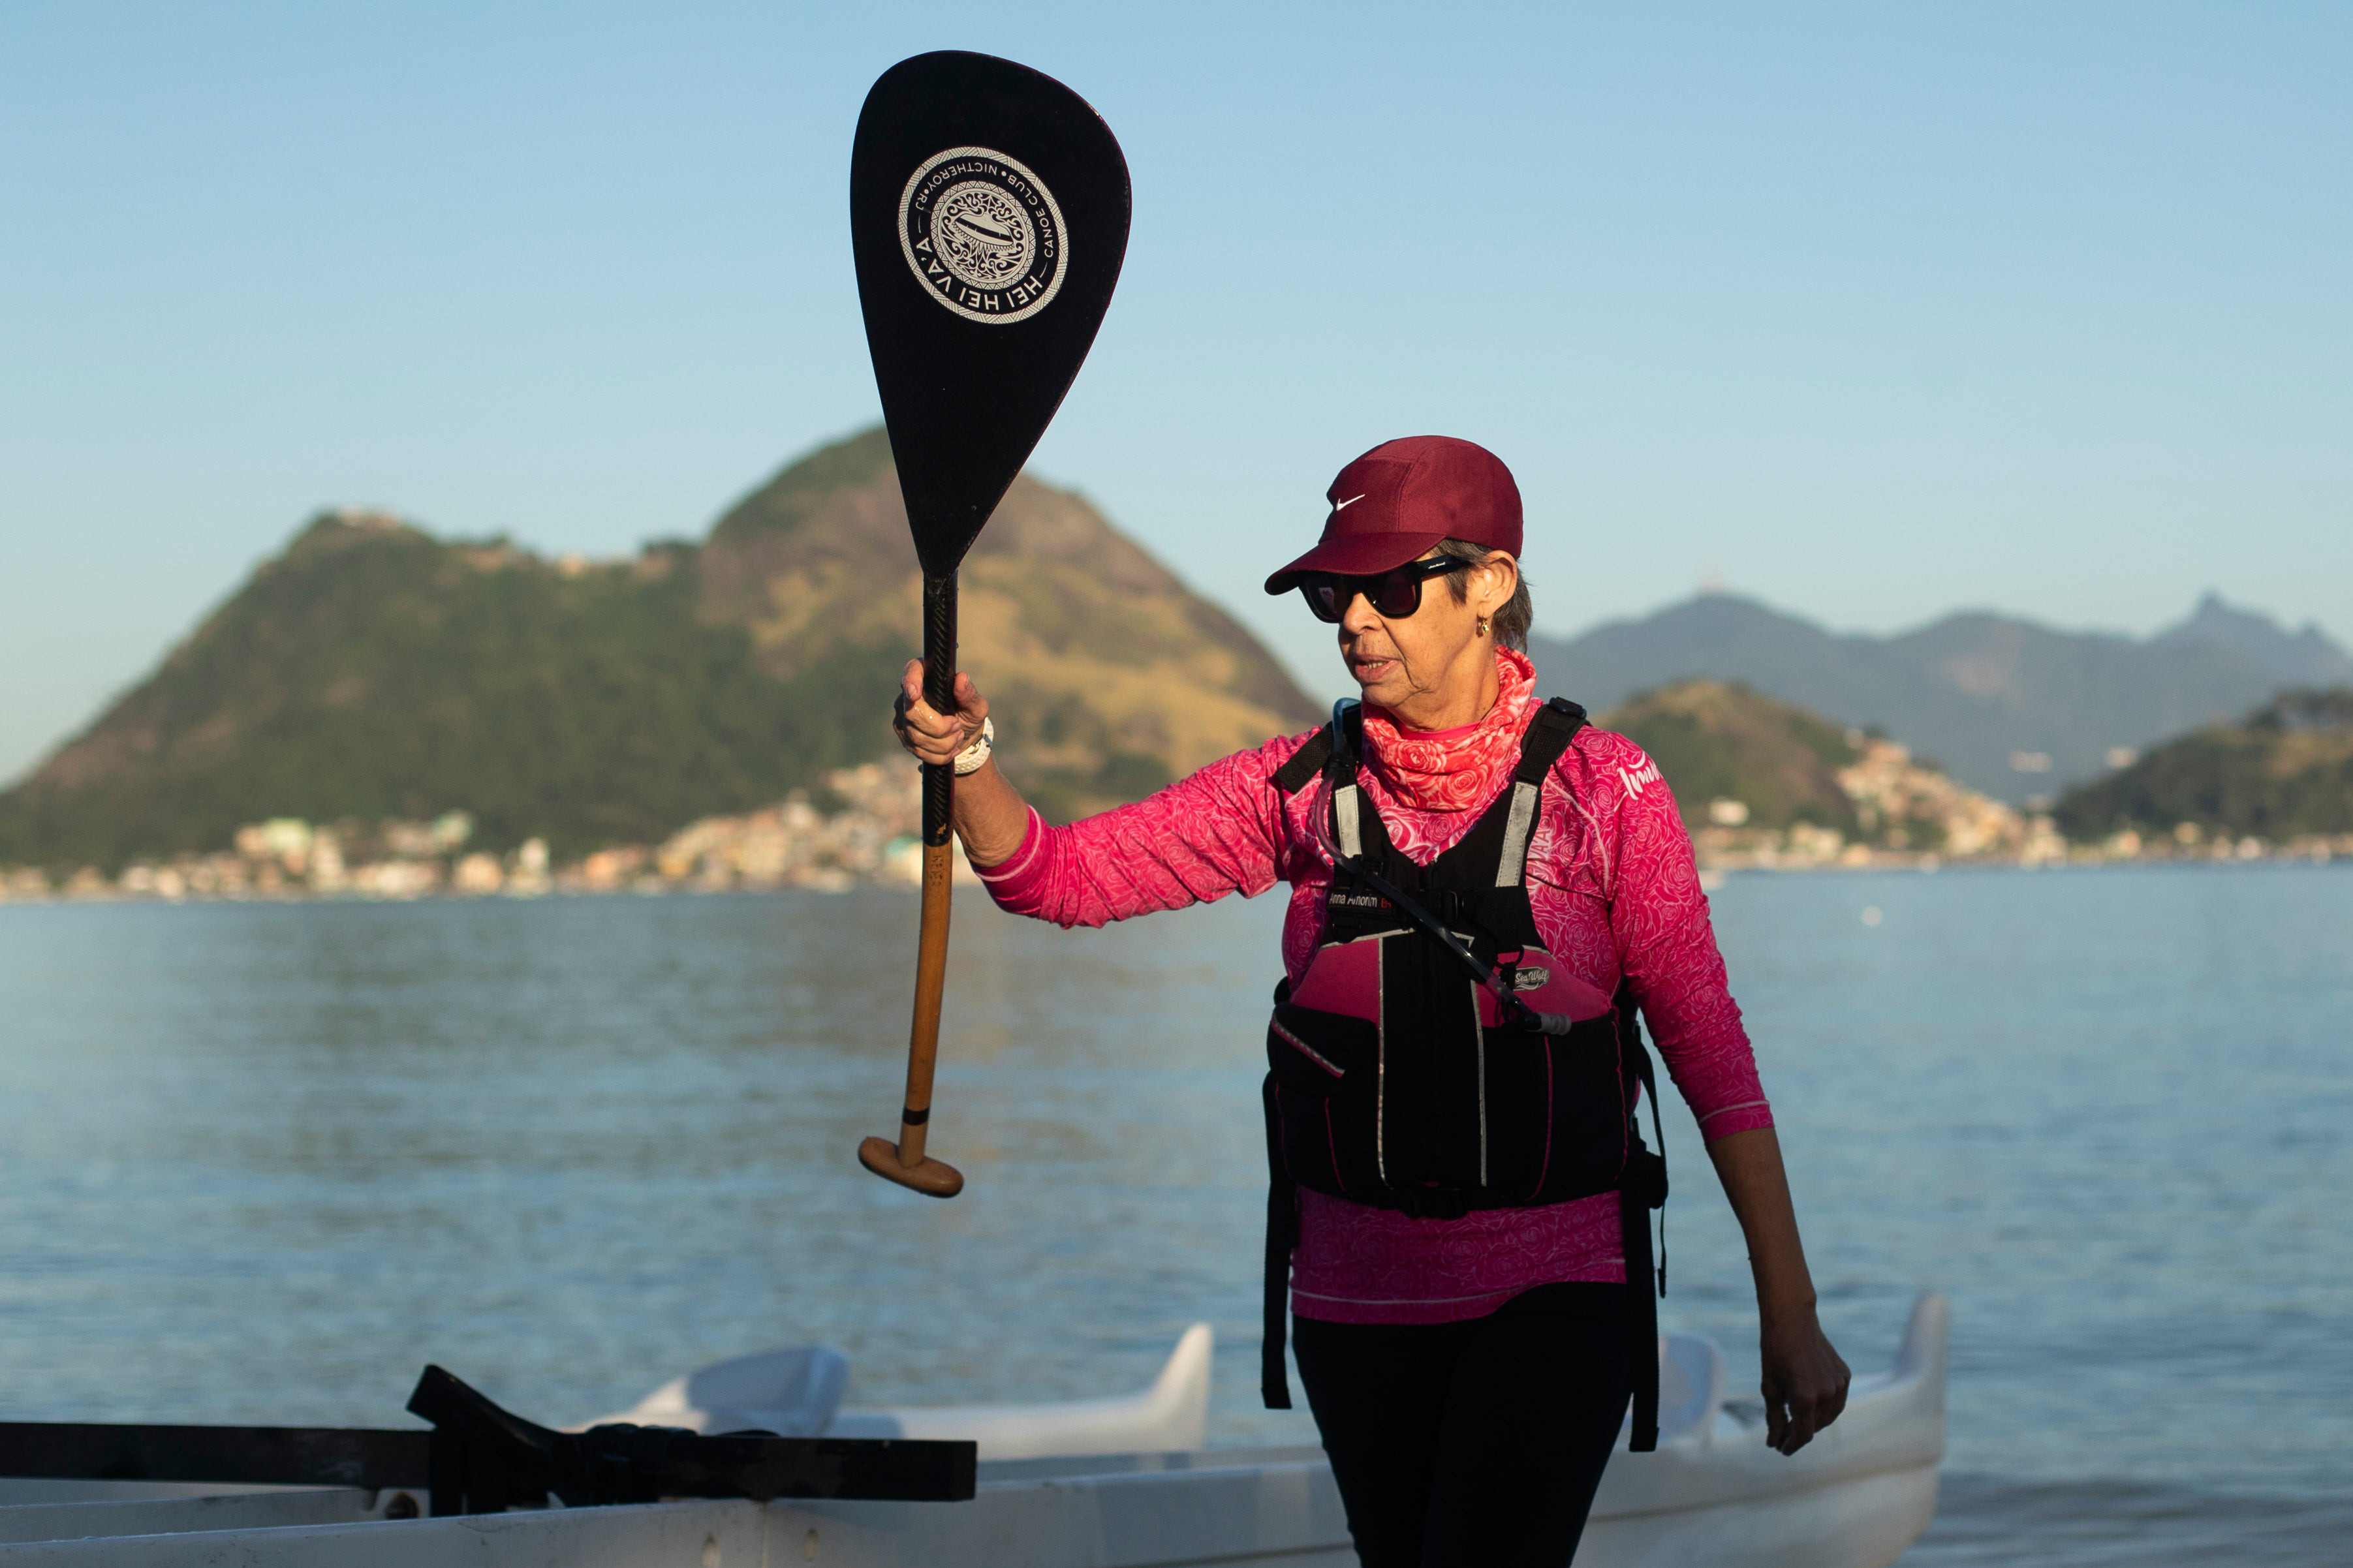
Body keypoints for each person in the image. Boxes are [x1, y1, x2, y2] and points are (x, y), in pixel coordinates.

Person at [892, 436, 1848, 1567]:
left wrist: (1786, 1311)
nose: (1355, 621)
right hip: (1350, 1313)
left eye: (1391, 588)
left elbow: (1707, 1052)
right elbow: (1055, 878)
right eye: (1335, 595)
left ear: (1487, 585)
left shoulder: (1606, 791)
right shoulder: (1294, 786)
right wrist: (966, 761)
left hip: (1552, 1295)